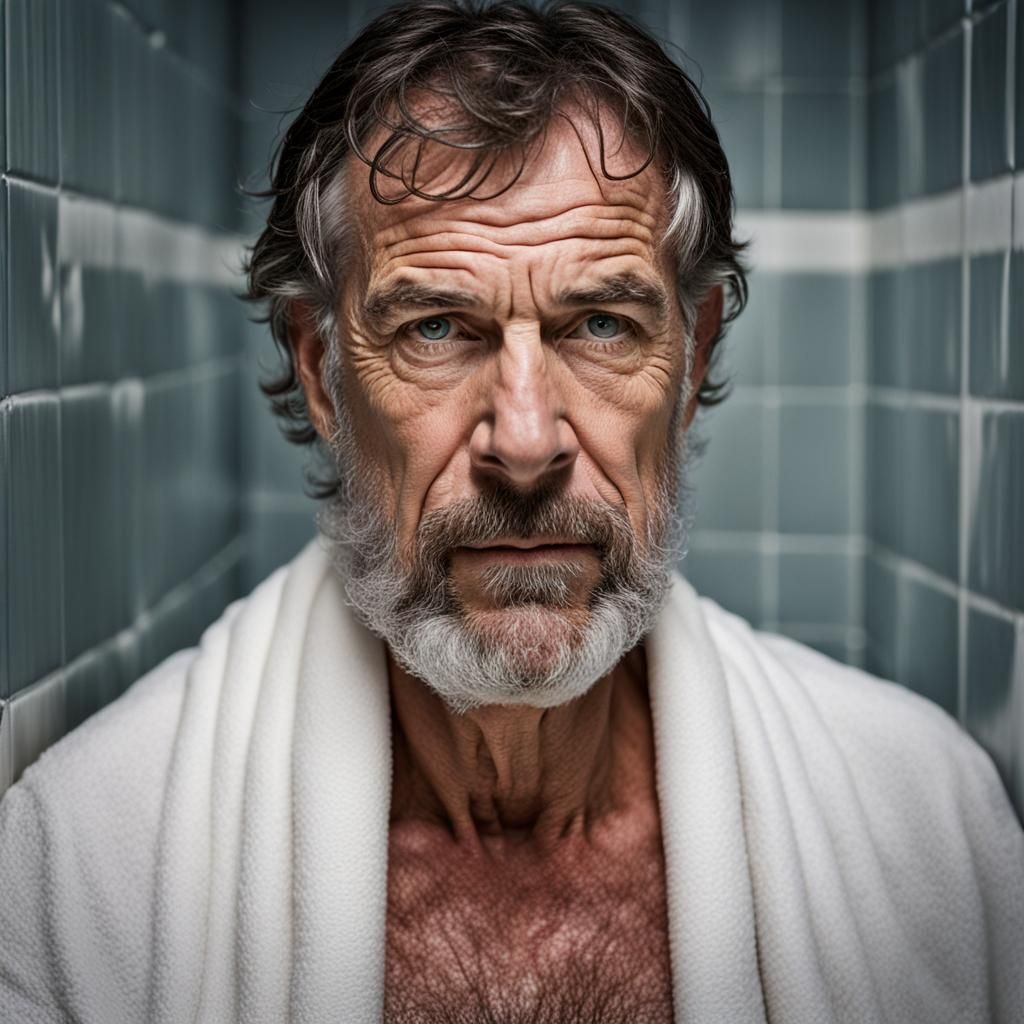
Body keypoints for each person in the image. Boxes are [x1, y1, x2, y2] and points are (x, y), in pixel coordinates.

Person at [1, 2, 1021, 1022]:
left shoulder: (929, 823)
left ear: (694, 354)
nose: (525, 443)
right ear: (320, 372)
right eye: (437, 326)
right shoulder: (85, 863)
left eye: (602, 325)